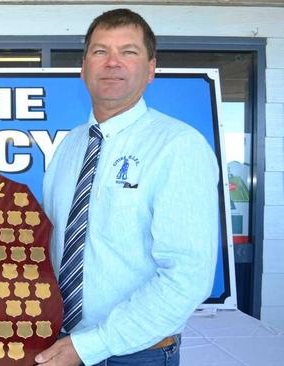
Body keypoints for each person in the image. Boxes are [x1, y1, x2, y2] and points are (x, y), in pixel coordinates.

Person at [37, 9, 218, 366]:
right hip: (61, 343)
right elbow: (48, 240)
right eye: (100, 51)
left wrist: (93, 345)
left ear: (151, 69)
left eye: (129, 52)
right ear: (83, 67)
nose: (112, 63)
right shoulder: (69, 147)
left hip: (135, 354)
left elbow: (185, 277)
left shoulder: (179, 146)